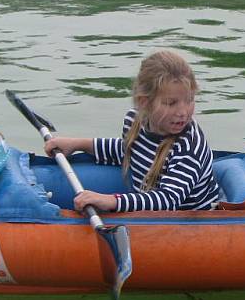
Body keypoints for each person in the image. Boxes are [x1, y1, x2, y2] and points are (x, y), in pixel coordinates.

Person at [45, 50, 219, 212]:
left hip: (185, 221)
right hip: (147, 210)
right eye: (171, 103)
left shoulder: (189, 146)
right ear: (144, 102)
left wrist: (112, 201)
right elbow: (128, 151)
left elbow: (168, 199)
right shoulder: (134, 120)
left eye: (189, 100)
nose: (182, 112)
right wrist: (78, 144)